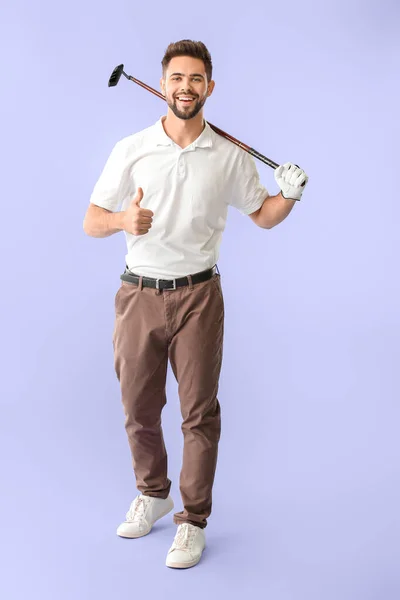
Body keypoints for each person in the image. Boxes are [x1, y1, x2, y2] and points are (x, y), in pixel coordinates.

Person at [83, 39, 309, 569]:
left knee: (198, 413)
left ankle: (193, 521)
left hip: (200, 297)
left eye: (196, 79)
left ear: (209, 87)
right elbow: (93, 218)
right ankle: (153, 492)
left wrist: (291, 194)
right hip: (138, 294)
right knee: (139, 409)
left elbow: (263, 214)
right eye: (177, 78)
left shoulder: (229, 156)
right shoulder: (132, 148)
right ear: (163, 85)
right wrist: (122, 221)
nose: (186, 87)